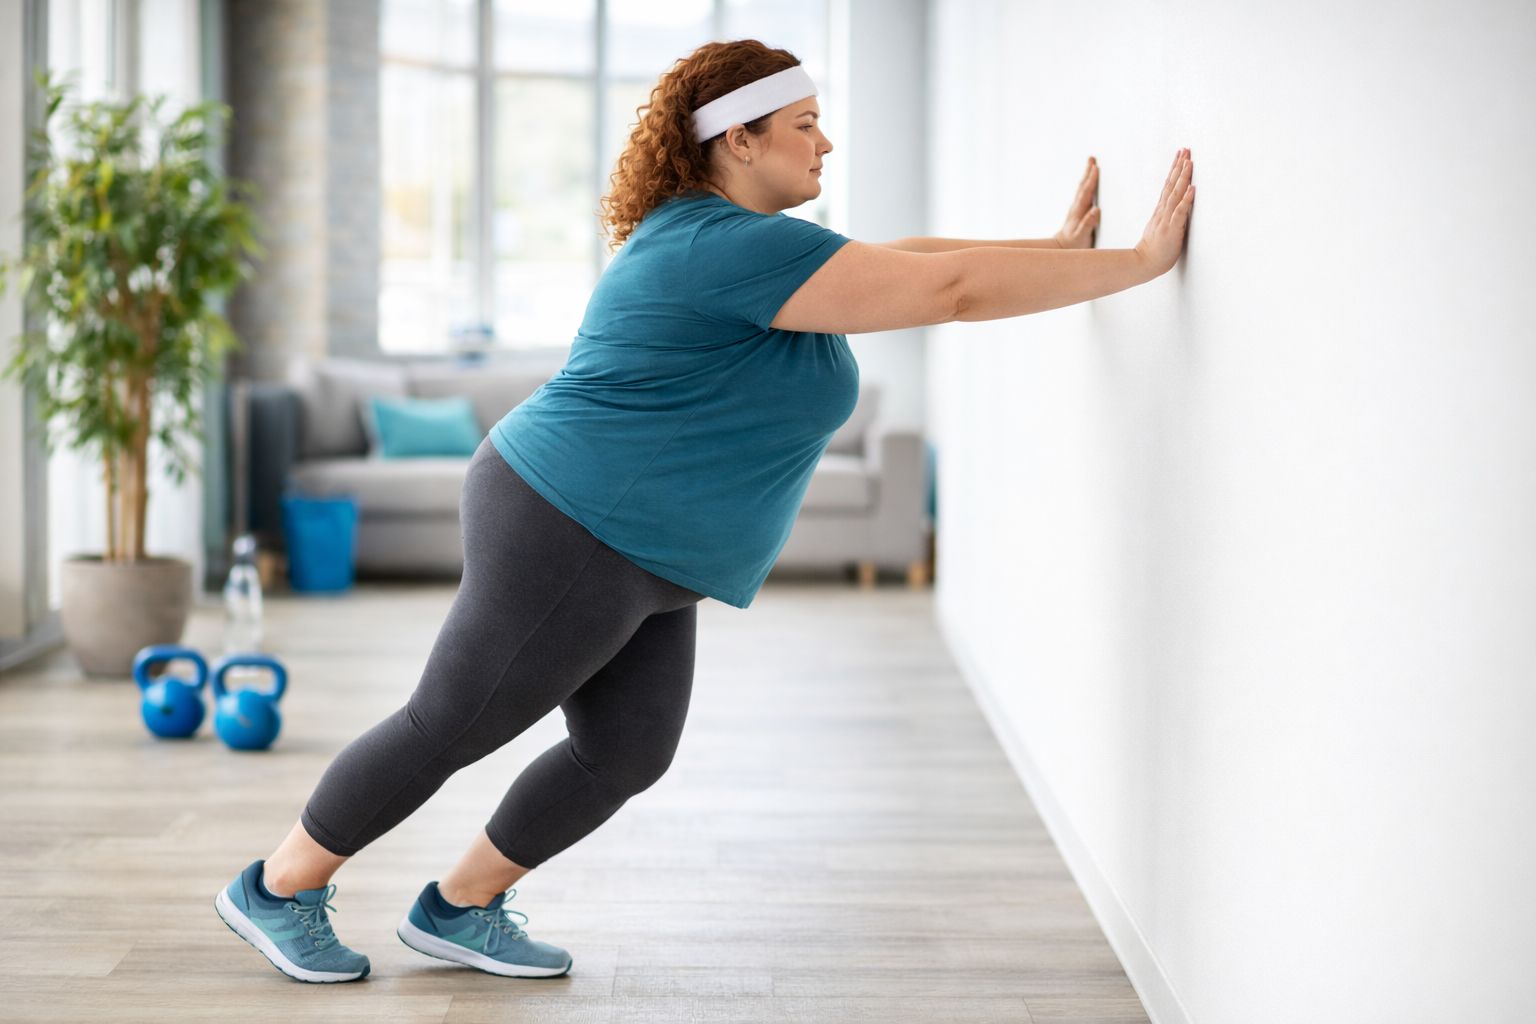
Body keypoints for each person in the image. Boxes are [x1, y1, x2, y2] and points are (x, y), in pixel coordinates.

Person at [213, 37, 1195, 984]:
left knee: (627, 750)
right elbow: (950, 288)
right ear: (741, 141)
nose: (827, 144)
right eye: (806, 124)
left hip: (644, 547)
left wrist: (1058, 247)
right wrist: (1137, 263)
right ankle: (276, 886)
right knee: (451, 722)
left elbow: (910, 257)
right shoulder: (716, 248)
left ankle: (460, 906)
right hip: (571, 517)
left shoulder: (752, 248)